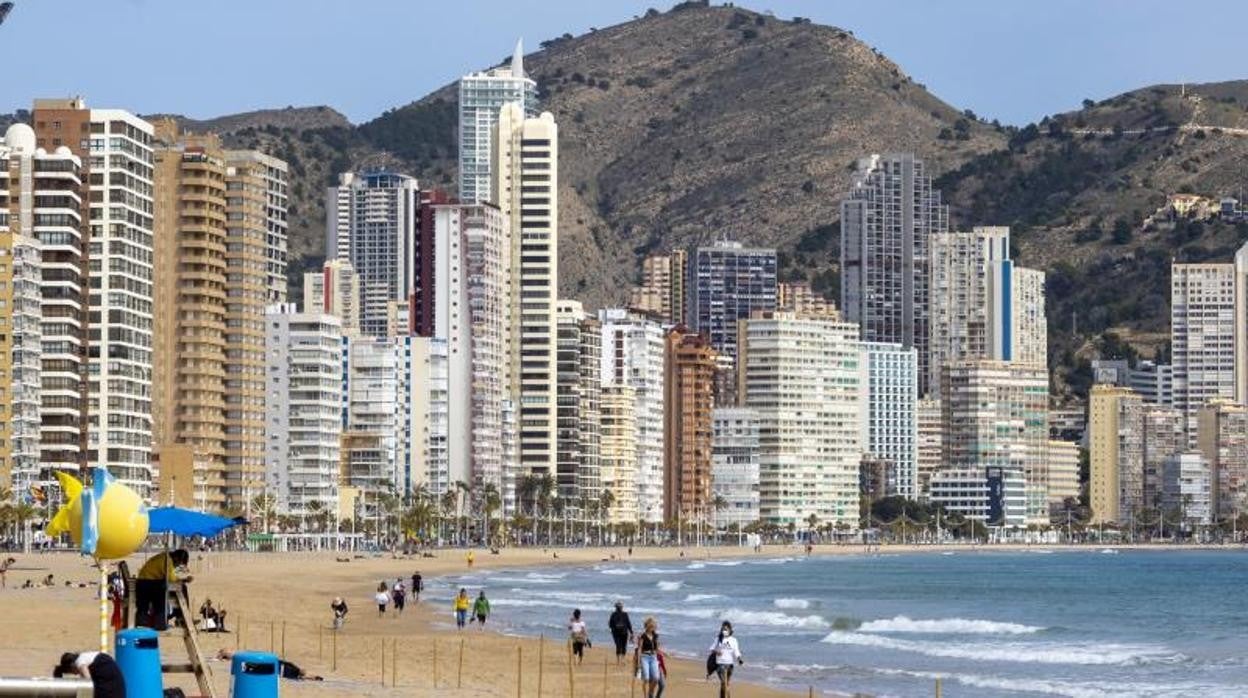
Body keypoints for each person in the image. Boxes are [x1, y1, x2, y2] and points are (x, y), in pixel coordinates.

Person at [135, 549, 191, 630]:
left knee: (179, 588)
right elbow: (171, 577)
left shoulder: (166, 557)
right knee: (179, 589)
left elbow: (172, 575)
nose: (178, 565)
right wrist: (183, 579)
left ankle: (179, 615)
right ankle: (180, 616)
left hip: (146, 581)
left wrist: (182, 577)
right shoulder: (167, 560)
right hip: (148, 582)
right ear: (176, 558)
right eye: (179, 563)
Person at [216, 650, 324, 681]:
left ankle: (226, 655)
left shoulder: (297, 675)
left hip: (272, 671)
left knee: (248, 665)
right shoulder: (295, 669)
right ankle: (225, 653)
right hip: (272, 666)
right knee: (249, 661)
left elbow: (306, 676)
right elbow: (284, 662)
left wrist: (315, 678)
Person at [54, 651, 126, 698]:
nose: (75, 674)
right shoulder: (84, 657)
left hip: (107, 676)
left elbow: (88, 683)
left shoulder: (79, 662)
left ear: (72, 664)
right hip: (111, 674)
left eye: (72, 671)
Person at [708, 620, 744, 698]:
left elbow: (736, 651)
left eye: (726, 629)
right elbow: (711, 648)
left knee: (725, 684)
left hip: (730, 665)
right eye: (723, 629)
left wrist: (739, 659)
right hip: (720, 665)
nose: (725, 631)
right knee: (724, 683)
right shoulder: (718, 639)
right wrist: (717, 652)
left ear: (730, 630)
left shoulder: (734, 640)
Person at [633, 617, 662, 698]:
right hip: (644, 657)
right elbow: (639, 649)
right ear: (647, 626)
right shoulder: (642, 636)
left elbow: (657, 649)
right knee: (646, 678)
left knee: (656, 678)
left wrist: (666, 654)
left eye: (653, 626)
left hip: (653, 657)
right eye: (651, 626)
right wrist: (638, 663)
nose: (652, 628)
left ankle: (650, 693)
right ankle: (645, 696)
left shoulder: (655, 636)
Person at [608, 601, 634, 666]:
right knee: (623, 646)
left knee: (618, 646)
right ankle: (622, 660)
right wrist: (631, 632)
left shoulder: (613, 614)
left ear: (616, 607)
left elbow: (610, 624)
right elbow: (628, 623)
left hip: (616, 633)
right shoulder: (625, 614)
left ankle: (619, 661)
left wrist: (612, 630)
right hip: (624, 632)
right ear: (622, 607)